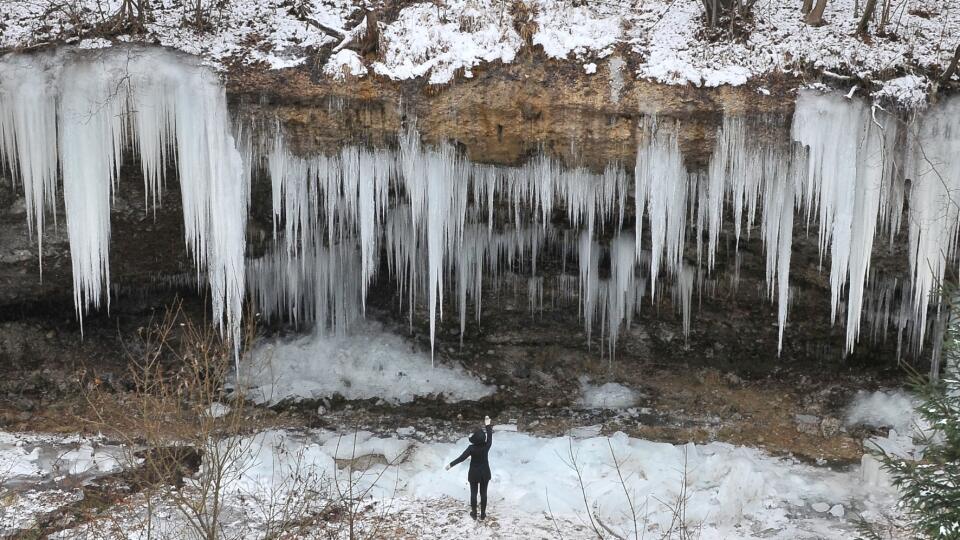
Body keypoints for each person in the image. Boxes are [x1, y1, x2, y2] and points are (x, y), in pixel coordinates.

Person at [445, 415, 493, 520]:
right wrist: (488, 425)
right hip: (485, 473)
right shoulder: (487, 445)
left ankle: (474, 514)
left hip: (474, 474)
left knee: (473, 494)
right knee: (484, 494)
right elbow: (490, 436)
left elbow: (461, 458)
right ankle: (483, 514)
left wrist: (451, 464)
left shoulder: (471, 448)